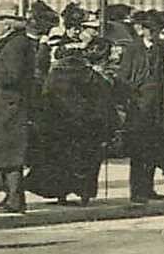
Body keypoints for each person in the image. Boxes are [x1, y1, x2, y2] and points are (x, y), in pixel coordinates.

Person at [25, 39, 117, 205]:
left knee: (60, 161)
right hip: (88, 127)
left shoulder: (54, 75)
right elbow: (104, 101)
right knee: (86, 162)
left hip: (59, 127)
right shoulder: (92, 75)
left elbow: (45, 101)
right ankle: (84, 195)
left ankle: (61, 195)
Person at [0, 4, 35, 213]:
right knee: (4, 153)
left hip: (10, 107)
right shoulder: (13, 42)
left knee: (10, 154)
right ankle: (10, 197)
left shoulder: (16, 44)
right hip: (6, 106)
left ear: (7, 23)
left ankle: (15, 199)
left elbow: (13, 75)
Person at [119, 9, 164, 204]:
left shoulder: (161, 49)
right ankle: (137, 191)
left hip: (157, 106)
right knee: (138, 151)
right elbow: (123, 77)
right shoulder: (133, 49)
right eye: (151, 30)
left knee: (152, 149)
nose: (154, 34)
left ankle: (148, 188)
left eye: (157, 30)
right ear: (144, 30)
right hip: (139, 107)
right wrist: (130, 98)